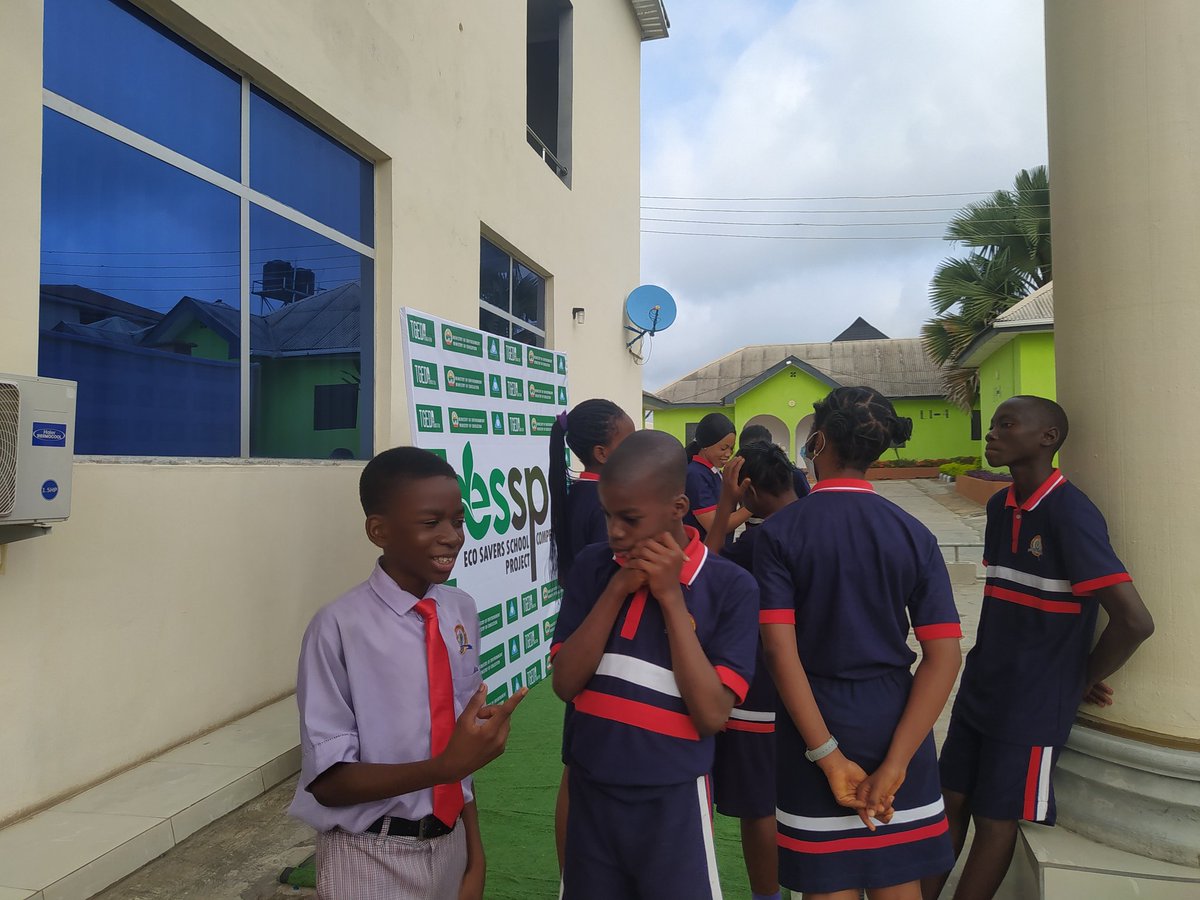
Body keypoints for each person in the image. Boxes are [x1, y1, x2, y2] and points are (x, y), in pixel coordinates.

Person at [924, 396, 1154, 900]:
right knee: (950, 799)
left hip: (1032, 701)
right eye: (992, 424)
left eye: (1007, 424)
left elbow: (1135, 622)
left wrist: (1078, 678)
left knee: (996, 817)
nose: (991, 433)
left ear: (1047, 438)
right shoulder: (998, 506)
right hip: (983, 683)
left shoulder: (1070, 514)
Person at [289, 447, 527, 900]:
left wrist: (474, 855)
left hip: (450, 843)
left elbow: (460, 751)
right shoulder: (338, 627)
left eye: (457, 521)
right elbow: (329, 783)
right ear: (379, 531)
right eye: (430, 522)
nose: (452, 536)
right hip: (370, 855)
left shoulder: (459, 609)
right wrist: (444, 767)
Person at [756, 386, 964, 900]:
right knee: (900, 884)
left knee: (828, 887)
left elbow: (781, 653)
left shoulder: (780, 534)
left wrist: (827, 756)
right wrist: (897, 764)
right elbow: (944, 655)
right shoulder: (915, 534)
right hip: (900, 724)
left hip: (813, 727)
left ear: (818, 440)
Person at [551, 430, 760, 900]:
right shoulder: (594, 566)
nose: (615, 533)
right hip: (592, 793)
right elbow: (565, 685)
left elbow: (710, 715)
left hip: (674, 799)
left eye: (629, 518)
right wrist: (617, 588)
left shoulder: (730, 587)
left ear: (678, 508)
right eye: (608, 515)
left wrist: (668, 596)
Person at [705, 441, 802, 900]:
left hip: (762, 688)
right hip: (817, 685)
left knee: (760, 806)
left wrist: (725, 506)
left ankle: (768, 895)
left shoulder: (761, 542)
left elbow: (707, 569)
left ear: (750, 490)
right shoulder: (814, 522)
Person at [547, 398, 635, 868]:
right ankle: (575, 877)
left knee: (576, 769)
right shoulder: (601, 505)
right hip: (600, 645)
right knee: (580, 773)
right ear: (602, 453)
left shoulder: (586, 495)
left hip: (591, 639)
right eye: (629, 437)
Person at [685, 412, 751, 543]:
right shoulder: (695, 474)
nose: (728, 454)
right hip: (704, 554)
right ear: (705, 445)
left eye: (731, 449)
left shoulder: (714, 472)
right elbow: (714, 526)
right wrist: (752, 507)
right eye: (723, 448)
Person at [738, 423, 811, 507]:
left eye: (759, 451)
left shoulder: (792, 475)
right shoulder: (742, 477)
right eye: (749, 453)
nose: (754, 458)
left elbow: (807, 506)